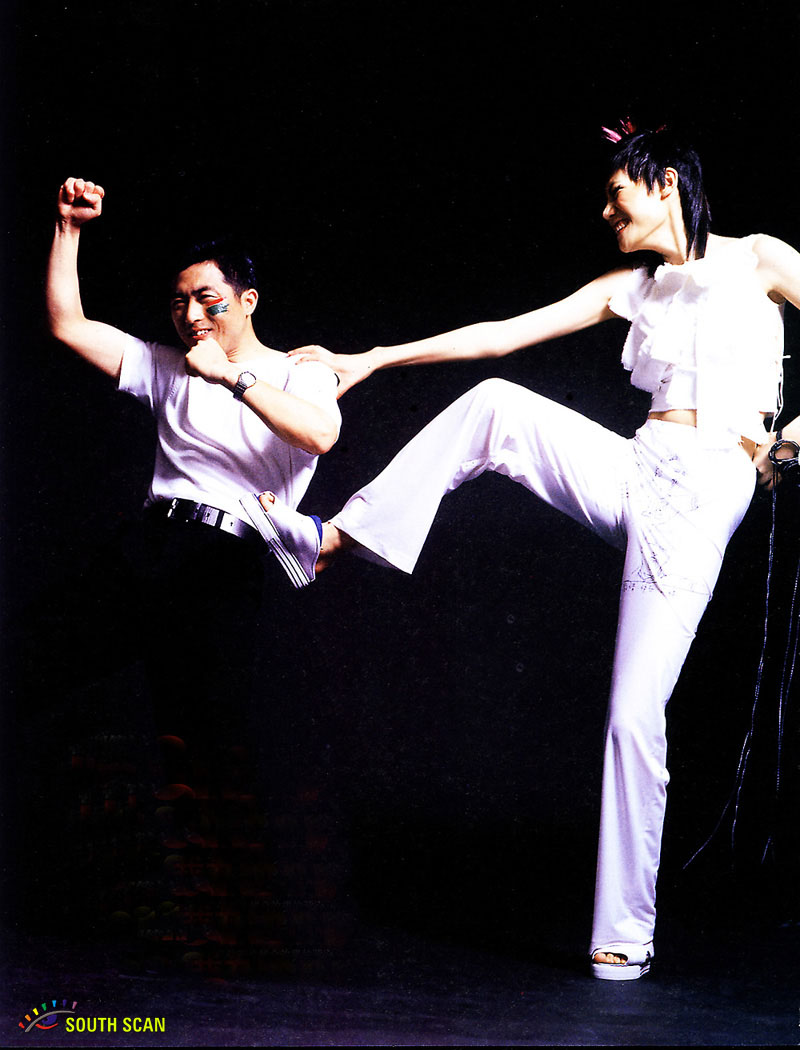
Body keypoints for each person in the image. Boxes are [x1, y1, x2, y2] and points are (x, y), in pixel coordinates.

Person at [238, 124, 800, 979]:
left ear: (665, 183)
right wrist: (374, 358)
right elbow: (500, 333)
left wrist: (792, 442)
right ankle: (332, 540)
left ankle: (626, 932)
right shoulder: (630, 288)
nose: (605, 211)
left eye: (616, 192)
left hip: (706, 487)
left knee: (632, 716)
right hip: (637, 464)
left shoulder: (761, 258)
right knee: (497, 401)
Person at [32, 177, 340, 875]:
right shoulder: (164, 365)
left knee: (205, 736)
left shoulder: (301, 373)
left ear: (247, 301)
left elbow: (319, 435)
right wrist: (69, 229)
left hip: (224, 559)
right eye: (179, 302)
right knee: (35, 660)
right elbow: (68, 324)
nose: (192, 315)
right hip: (151, 543)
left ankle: (216, 885)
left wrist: (231, 377)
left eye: (208, 299)